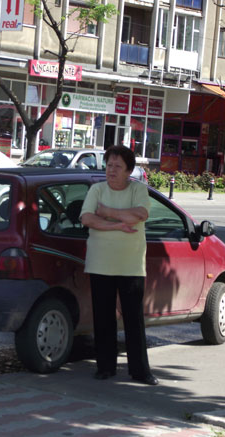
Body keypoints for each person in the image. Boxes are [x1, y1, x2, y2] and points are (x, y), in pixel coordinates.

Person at [80, 144, 158, 386]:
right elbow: (87, 218)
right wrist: (117, 223)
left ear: (129, 171)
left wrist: (107, 212)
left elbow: (140, 215)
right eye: (109, 165)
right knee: (103, 318)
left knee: (134, 318)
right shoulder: (96, 189)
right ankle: (105, 367)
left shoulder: (138, 190)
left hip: (130, 264)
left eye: (117, 166)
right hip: (100, 263)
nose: (111, 170)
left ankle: (140, 371)